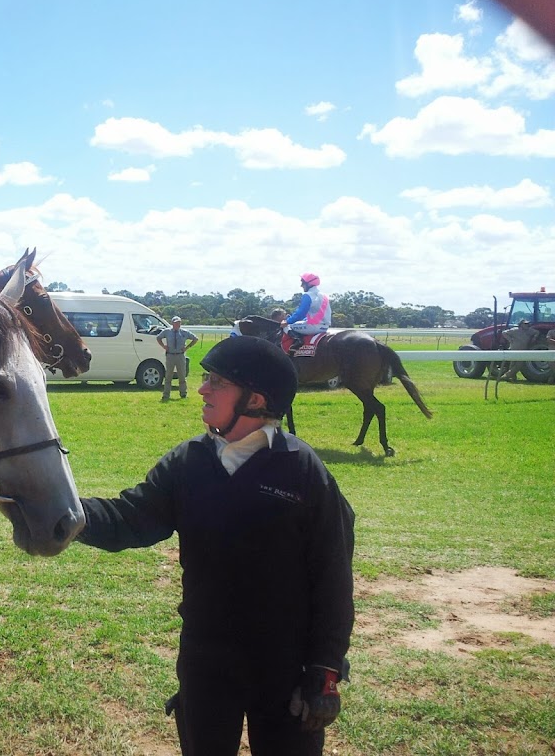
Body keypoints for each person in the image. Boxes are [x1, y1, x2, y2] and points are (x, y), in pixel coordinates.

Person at [77, 335, 355, 755]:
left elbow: (333, 574)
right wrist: (63, 514)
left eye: (218, 381)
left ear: (256, 399)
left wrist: (326, 668)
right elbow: (130, 519)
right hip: (206, 658)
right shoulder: (189, 461)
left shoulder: (302, 470)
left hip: (286, 664)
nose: (202, 388)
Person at [281, 273, 331, 352]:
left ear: (309, 283)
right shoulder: (324, 296)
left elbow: (300, 314)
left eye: (303, 283)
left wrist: (287, 321)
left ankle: (297, 340)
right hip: (325, 327)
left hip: (313, 327)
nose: (301, 285)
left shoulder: (308, 295)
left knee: (287, 326)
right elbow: (314, 315)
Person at [156, 316, 198, 401]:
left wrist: (187, 347)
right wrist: (164, 346)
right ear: (172, 323)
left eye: (179, 323)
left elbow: (195, 339)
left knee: (182, 375)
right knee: (168, 376)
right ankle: (166, 394)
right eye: (175, 323)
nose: (177, 324)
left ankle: (183, 394)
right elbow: (158, 337)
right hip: (170, 355)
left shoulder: (184, 332)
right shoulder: (167, 331)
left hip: (180, 355)